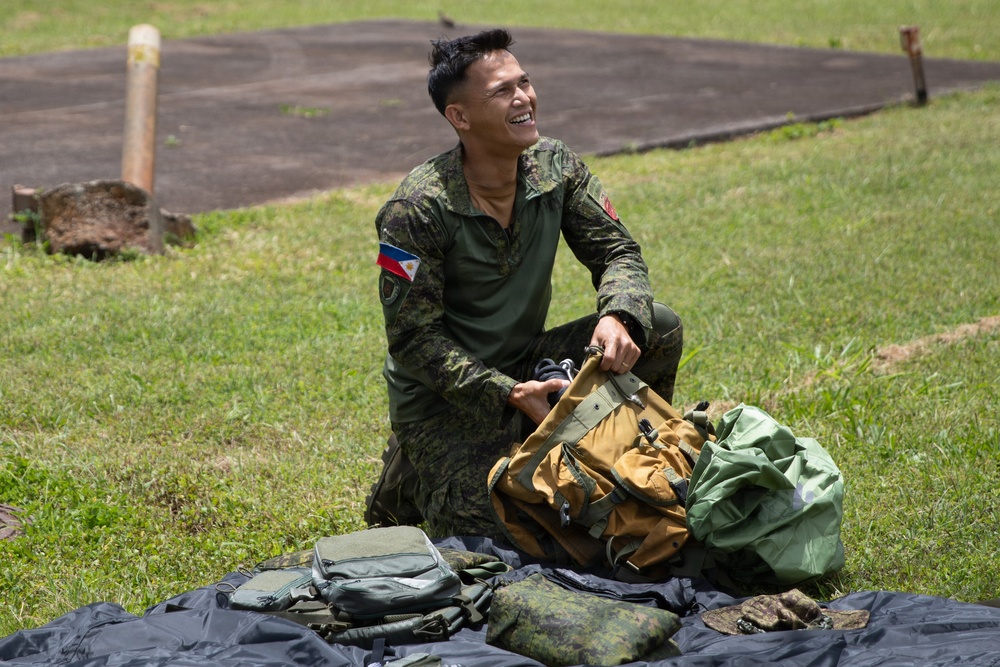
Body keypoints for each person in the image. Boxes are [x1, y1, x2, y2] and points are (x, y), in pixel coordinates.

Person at [368, 28, 683, 539]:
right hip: (444, 403)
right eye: (502, 91)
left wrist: (617, 315)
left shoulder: (555, 165)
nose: (524, 98)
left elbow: (617, 251)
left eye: (525, 82)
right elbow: (411, 340)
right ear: (460, 117)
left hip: (531, 361)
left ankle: (625, 443)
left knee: (658, 326)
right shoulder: (415, 210)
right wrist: (510, 393)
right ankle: (409, 475)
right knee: (514, 533)